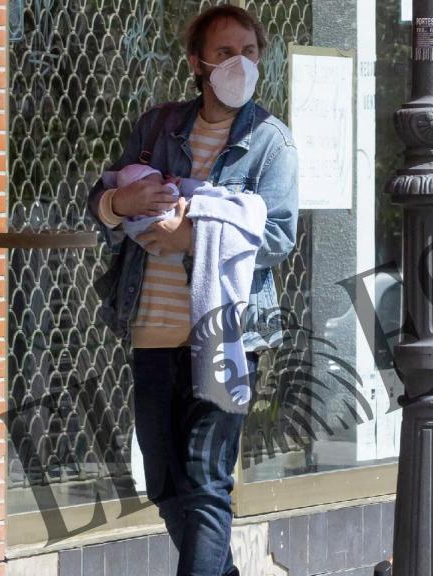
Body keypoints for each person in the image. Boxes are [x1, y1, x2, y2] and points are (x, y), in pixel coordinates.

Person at [85, 5, 298, 575]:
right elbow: (100, 202)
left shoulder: (270, 141)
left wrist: (194, 237)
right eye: (225, 53)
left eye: (249, 52)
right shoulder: (158, 127)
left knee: (205, 478)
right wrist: (116, 204)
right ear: (197, 62)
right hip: (152, 329)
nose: (239, 64)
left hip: (228, 335)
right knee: (164, 480)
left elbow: (279, 236)